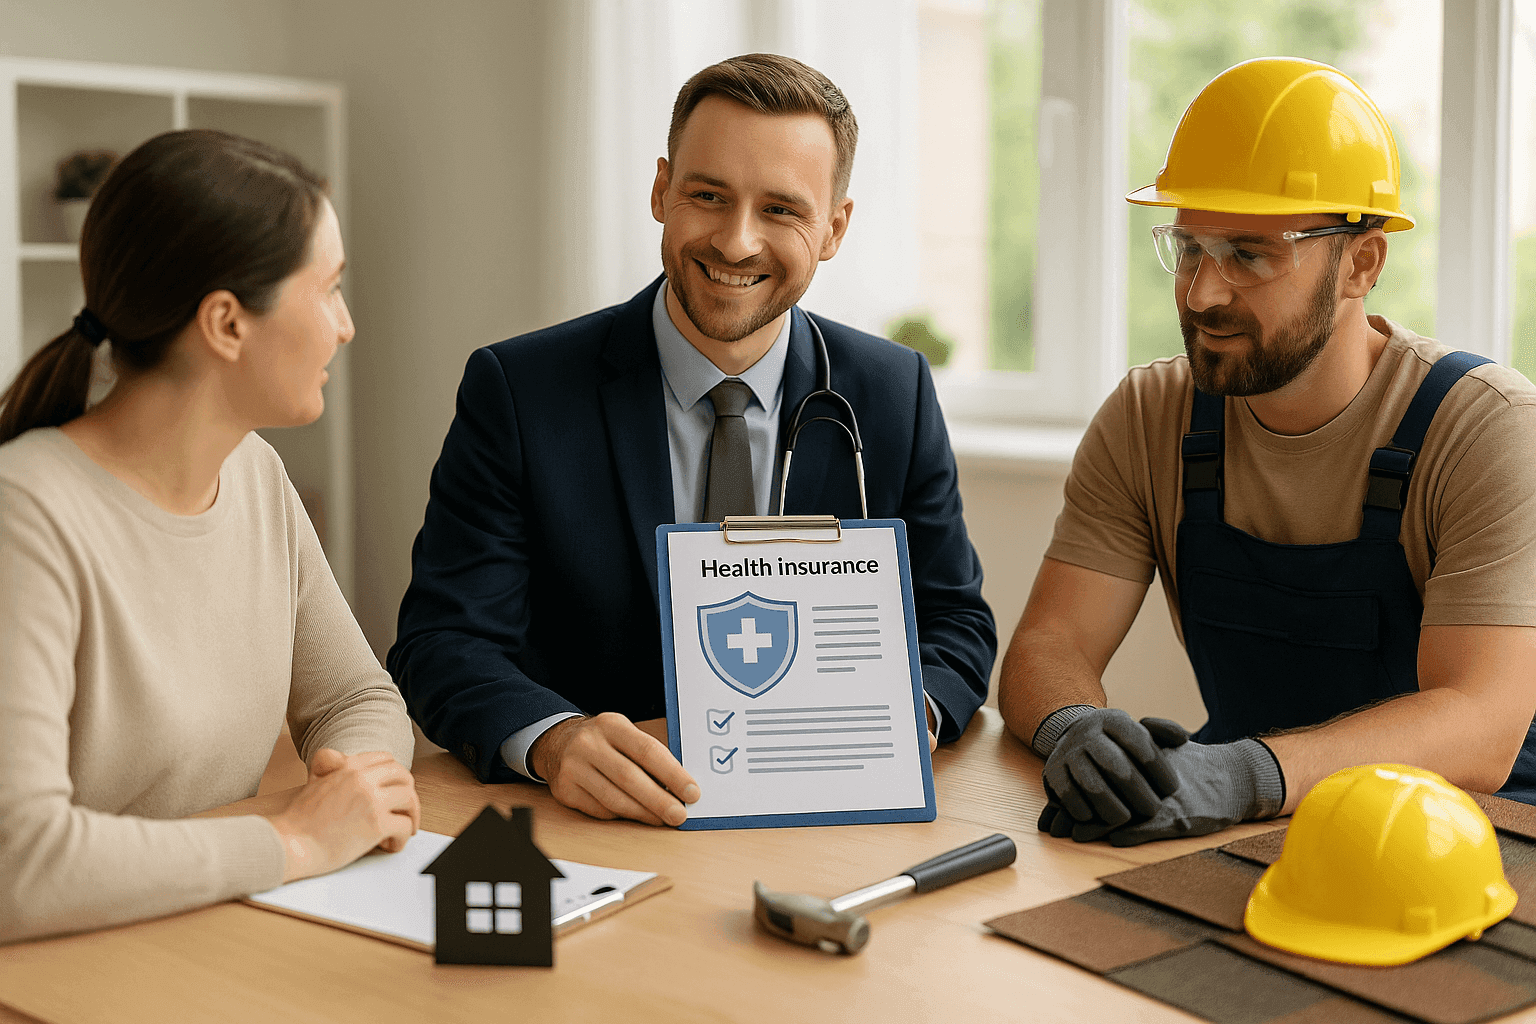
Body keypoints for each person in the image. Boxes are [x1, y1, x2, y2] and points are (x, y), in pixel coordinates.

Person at [389, 53, 995, 827]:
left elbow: (955, 623)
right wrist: (555, 741)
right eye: (708, 196)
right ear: (660, 192)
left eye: (781, 210)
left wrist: (900, 719)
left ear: (835, 227)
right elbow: (443, 642)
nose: (736, 242)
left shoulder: (892, 391)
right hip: (600, 826)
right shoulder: (520, 391)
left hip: (826, 817)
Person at [998, 57, 1536, 846]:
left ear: (1363, 262)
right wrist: (1077, 728)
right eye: (1189, 249)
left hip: (1475, 842)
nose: (1202, 294)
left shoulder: (1487, 429)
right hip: (1249, 833)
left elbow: (1480, 723)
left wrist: (1240, 773)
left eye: (1249, 254)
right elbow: (1052, 642)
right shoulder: (1152, 415)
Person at [0, 129, 420, 943]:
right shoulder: (26, 516)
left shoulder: (254, 473)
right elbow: (20, 863)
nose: (346, 325)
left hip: (214, 930)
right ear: (227, 324)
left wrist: (354, 792)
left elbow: (356, 696)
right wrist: (295, 838)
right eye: (327, 290)